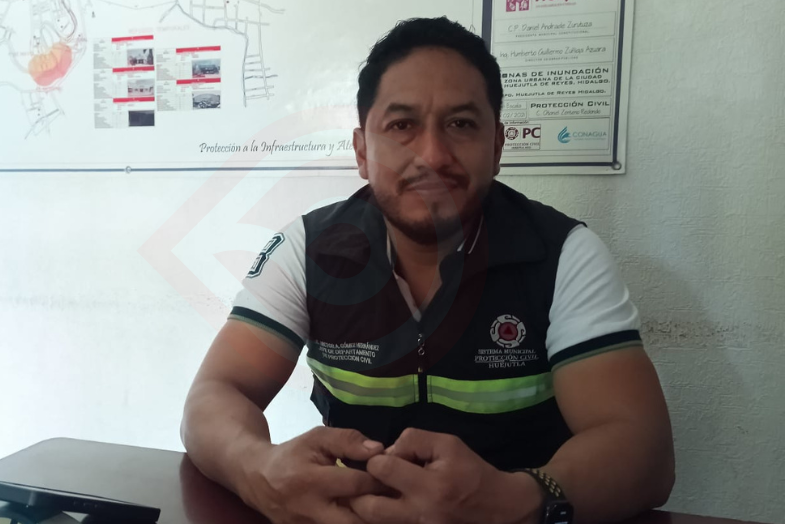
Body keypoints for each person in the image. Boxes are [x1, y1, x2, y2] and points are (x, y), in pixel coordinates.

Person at [182, 17, 674, 524]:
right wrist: (257, 468)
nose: (433, 155)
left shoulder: (563, 254)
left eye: (461, 124)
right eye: (402, 125)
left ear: (497, 147)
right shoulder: (308, 250)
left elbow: (644, 452)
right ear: (362, 152)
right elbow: (216, 394)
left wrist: (515, 499)